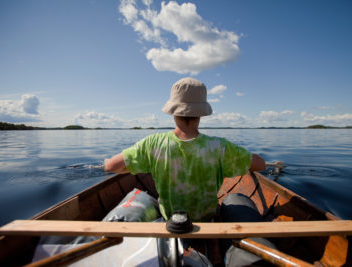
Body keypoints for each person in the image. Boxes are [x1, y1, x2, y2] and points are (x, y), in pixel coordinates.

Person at [104, 77, 266, 222]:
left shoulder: (152, 143)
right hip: (207, 222)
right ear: (201, 114)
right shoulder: (220, 146)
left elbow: (111, 166)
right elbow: (260, 164)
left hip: (170, 221)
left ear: (174, 112)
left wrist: (135, 166)